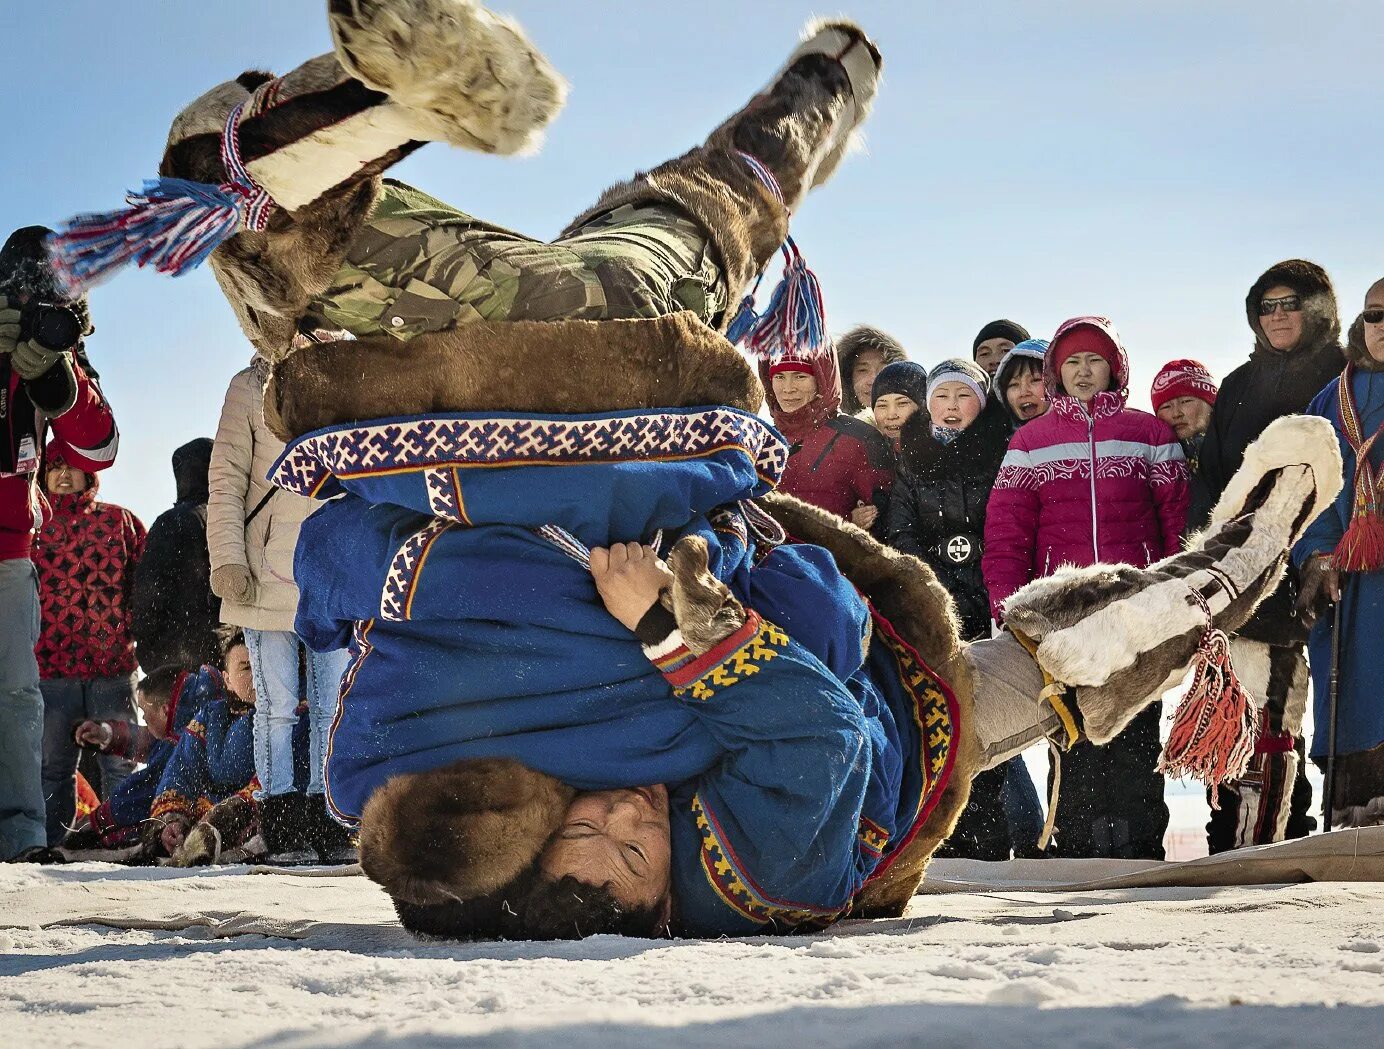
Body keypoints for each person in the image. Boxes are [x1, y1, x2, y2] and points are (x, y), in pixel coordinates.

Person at [51, 3, 1335, 934]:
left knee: (654, 240)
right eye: (624, 856)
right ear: (649, 908)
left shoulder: (564, 786)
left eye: (588, 825)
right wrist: (674, 630)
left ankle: (302, 177)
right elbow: (822, 737)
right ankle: (827, 84)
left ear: (535, 819)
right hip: (612, 435)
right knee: (1041, 676)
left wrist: (389, 559)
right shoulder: (763, 878)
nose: (626, 821)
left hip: (587, 408)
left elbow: (380, 601)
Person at [983, 317, 1188, 859]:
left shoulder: (1150, 434)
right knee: (1073, 727)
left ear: (1114, 367)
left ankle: (1139, 845)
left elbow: (1178, 523)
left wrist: (1177, 598)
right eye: (1071, 361)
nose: (1082, 371)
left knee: (1136, 724)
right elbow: (1006, 533)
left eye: (1093, 360)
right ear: (1056, 372)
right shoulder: (1030, 442)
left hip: (1137, 612)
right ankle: (1078, 844)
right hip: (1062, 620)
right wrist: (1007, 605)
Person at [1196, 261, 1343, 852]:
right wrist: (1207, 552)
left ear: (1318, 309)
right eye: (1267, 306)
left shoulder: (1343, 374)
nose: (1278, 315)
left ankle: (1283, 838)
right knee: (1247, 708)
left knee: (1304, 711)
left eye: (1290, 303)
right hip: (1246, 569)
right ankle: (1240, 841)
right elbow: (1211, 478)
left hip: (1327, 558)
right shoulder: (1238, 384)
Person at [0, 226, 118, 863]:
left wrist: (59, 377)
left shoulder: (59, 349)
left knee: (17, 695)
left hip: (10, 546)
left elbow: (98, 447)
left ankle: (19, 836)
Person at [884, 359, 1035, 860]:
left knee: (984, 716)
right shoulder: (913, 457)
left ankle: (991, 836)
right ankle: (942, 837)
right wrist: (928, 584)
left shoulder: (1002, 449)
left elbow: (1011, 521)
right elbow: (901, 531)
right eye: (942, 395)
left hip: (986, 599)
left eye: (963, 395)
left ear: (982, 401)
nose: (951, 406)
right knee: (936, 718)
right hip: (933, 606)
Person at [209, 360, 353, 863]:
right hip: (264, 570)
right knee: (276, 706)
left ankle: (330, 817)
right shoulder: (248, 385)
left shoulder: (347, 373)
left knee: (333, 704)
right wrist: (226, 558)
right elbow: (226, 478)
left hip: (331, 569)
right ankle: (283, 822)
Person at [1294, 278, 1384, 828]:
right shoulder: (1333, 399)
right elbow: (1312, 485)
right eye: (1375, 315)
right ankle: (1357, 820)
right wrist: (1320, 553)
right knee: (1356, 692)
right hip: (1353, 580)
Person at [33, 442, 145, 845]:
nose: (64, 474)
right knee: (54, 767)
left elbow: (142, 586)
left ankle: (127, 841)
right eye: (55, 467)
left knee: (121, 764)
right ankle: (53, 847)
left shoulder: (120, 522)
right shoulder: (31, 528)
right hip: (51, 668)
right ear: (42, 474)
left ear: (89, 472)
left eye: (73, 466)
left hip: (111, 665)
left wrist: (127, 630)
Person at [146, 631, 260, 865]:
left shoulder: (295, 716)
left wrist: (224, 816)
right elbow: (181, 772)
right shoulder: (210, 715)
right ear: (227, 679)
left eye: (263, 664)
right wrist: (172, 821)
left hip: (255, 821)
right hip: (203, 819)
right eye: (246, 668)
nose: (257, 676)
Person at [762, 351, 895, 534]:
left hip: (833, 560)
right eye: (779, 377)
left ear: (822, 379)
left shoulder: (860, 438)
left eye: (800, 376)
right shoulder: (761, 439)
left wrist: (846, 525)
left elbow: (887, 518)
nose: (788, 388)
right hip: (763, 557)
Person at [131, 437, 222, 672]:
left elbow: (148, 590)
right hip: (228, 654)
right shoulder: (234, 520)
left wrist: (147, 647)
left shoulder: (172, 522)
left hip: (175, 656)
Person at [1151, 360, 1217, 540]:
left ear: (1211, 403)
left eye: (1186, 401)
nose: (1176, 413)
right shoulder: (1154, 462)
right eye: (1166, 406)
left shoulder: (1236, 450)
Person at [837, 325, 908, 420]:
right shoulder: (829, 430)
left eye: (883, 369)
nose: (873, 380)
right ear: (848, 377)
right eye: (863, 370)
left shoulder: (923, 428)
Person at [869, 360, 926, 449]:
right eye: (882, 406)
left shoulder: (944, 451)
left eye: (902, 403)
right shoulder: (863, 448)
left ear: (923, 407)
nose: (891, 415)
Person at [994, 339, 1050, 428]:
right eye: (1013, 385)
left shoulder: (1077, 435)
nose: (1023, 393)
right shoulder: (1004, 439)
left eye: (1035, 380)